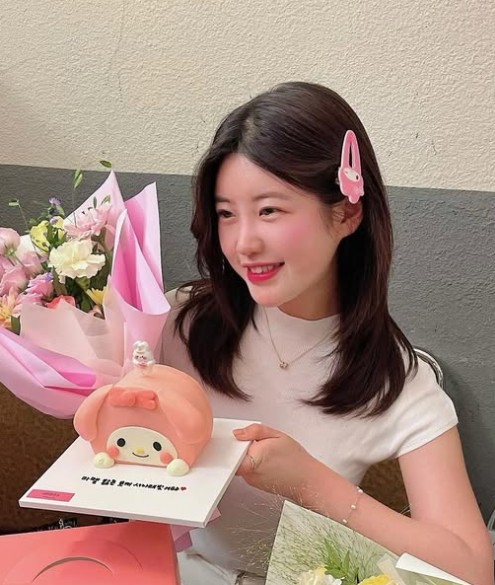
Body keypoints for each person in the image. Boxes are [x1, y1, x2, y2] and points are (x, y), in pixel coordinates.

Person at [157, 82, 493, 585]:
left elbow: (472, 568)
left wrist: (312, 484)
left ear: (347, 212)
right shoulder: (178, 322)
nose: (244, 243)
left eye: (269, 210)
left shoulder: (393, 376)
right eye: (226, 214)